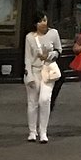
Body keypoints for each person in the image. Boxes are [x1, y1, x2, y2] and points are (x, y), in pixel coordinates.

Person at [23, 10, 62, 143]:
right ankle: (32, 131)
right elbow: (27, 58)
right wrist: (29, 76)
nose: (43, 23)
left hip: (48, 70)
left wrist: (52, 55)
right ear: (35, 24)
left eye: (45, 20)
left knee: (45, 100)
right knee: (32, 102)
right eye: (40, 21)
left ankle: (43, 131)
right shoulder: (29, 37)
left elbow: (58, 50)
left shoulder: (53, 33)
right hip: (34, 70)